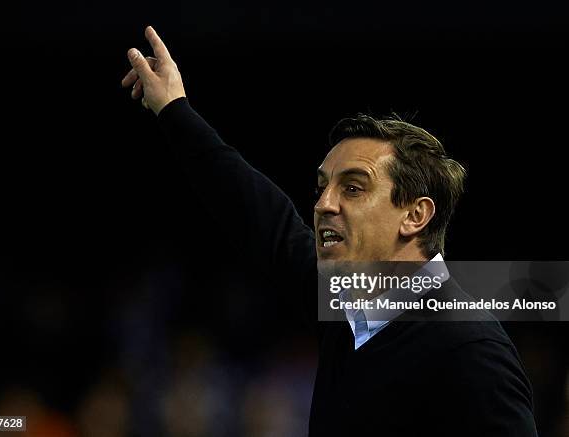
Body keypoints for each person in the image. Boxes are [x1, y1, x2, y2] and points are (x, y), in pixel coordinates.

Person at [121, 26, 538, 436]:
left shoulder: (469, 351)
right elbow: (261, 217)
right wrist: (175, 109)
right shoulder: (347, 305)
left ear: (415, 216)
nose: (323, 204)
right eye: (322, 188)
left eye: (353, 189)